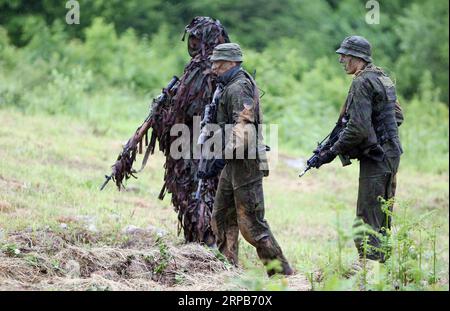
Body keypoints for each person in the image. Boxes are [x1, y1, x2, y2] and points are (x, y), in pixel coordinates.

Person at [200, 42, 293, 276]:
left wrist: (220, 158)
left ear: (232, 62)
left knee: (251, 224)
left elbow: (244, 128)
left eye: (218, 63)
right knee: (221, 216)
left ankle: (281, 272)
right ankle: (226, 267)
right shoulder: (228, 85)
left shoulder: (239, 87)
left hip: (246, 164)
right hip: (233, 162)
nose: (213, 67)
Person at [316, 36, 403, 262]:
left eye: (344, 56)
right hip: (391, 153)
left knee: (367, 216)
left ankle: (370, 276)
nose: (341, 60)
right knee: (382, 215)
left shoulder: (361, 81)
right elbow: (398, 116)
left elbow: (357, 128)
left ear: (357, 58)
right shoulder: (383, 78)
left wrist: (331, 151)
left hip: (377, 157)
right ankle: (383, 272)